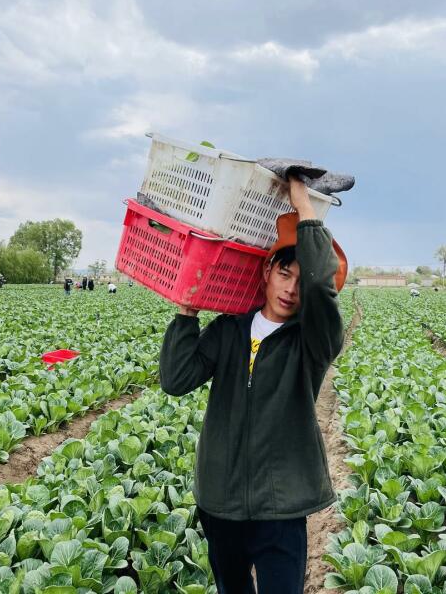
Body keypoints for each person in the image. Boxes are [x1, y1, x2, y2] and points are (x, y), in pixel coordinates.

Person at [159, 177, 343, 593]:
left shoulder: (312, 341)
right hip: (220, 500)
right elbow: (176, 379)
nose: (292, 287)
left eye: (300, 278)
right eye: (284, 273)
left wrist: (303, 207)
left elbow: (320, 288)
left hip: (280, 506)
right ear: (267, 272)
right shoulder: (229, 330)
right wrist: (186, 311)